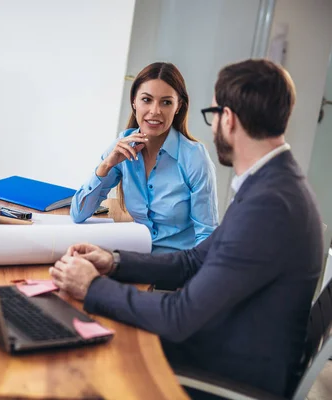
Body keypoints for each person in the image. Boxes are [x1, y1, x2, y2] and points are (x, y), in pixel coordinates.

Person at [50, 59, 323, 397]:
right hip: (226, 340)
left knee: (94, 352)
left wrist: (92, 287)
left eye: (214, 114)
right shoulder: (273, 185)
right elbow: (194, 260)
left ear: (229, 119)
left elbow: (179, 315)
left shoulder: (269, 204)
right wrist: (114, 262)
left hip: (232, 370)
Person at [70, 62, 218, 253]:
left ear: (178, 106)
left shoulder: (194, 157)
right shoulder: (122, 145)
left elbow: (206, 235)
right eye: (147, 100)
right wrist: (106, 165)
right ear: (134, 102)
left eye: (166, 102)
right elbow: (78, 214)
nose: (155, 111)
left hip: (178, 266)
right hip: (136, 257)